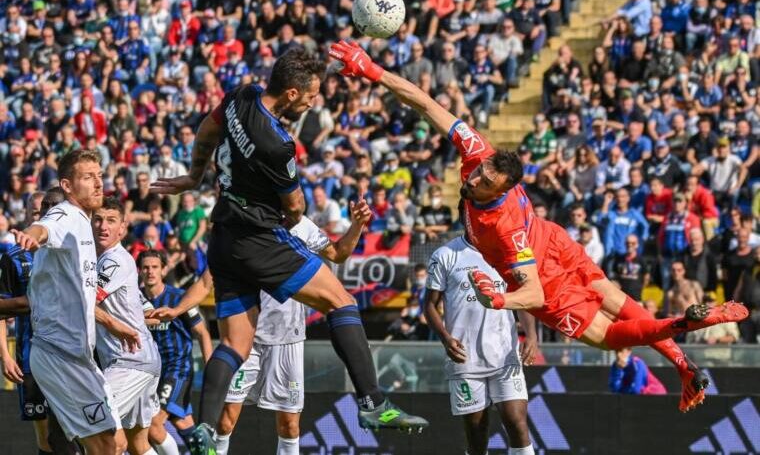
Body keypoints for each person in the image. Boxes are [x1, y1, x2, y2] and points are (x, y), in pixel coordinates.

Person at [328, 40, 748, 413]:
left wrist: (500, 301)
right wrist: (371, 70)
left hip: (543, 270)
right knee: (618, 300)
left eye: (484, 183)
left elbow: (533, 292)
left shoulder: (504, 226)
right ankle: (683, 362)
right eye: (476, 175)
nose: (472, 181)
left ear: (505, 187)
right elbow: (426, 104)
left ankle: (689, 327)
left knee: (611, 338)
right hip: (555, 240)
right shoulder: (480, 154)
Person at [150, 47, 428, 454]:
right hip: (258, 240)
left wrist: (194, 176)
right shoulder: (279, 144)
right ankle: (372, 402)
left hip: (222, 238)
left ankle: (205, 430)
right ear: (293, 94)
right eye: (312, 95)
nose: (314, 102)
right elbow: (295, 207)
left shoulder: (240, 96)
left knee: (234, 345)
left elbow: (207, 130)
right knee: (342, 301)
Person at [10, 150, 140, 453]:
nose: (98, 183)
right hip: (60, 355)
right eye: (87, 177)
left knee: (117, 443)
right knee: (106, 446)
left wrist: (112, 323)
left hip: (79, 357)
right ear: (67, 185)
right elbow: (45, 227)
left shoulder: (83, 222)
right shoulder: (66, 214)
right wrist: (32, 234)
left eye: (99, 175)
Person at [215, 205, 370, 455]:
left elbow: (339, 253)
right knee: (225, 419)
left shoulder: (304, 227)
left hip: (288, 337)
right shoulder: (247, 225)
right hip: (248, 336)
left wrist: (358, 224)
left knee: (289, 426)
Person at [424, 235, 538, 455]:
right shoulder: (445, 255)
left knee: (516, 421)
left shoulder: (508, 253)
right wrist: (446, 338)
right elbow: (429, 305)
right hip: (465, 357)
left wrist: (531, 335)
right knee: (477, 431)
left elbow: (523, 297)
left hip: (505, 354)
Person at [0, 188, 81, 454]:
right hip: (30, 356)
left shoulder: (73, 247)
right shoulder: (13, 257)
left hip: (70, 354)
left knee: (76, 431)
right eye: (36, 212)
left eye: (46, 211)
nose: (42, 217)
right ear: (27, 215)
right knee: (45, 437)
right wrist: (6, 356)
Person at [92, 197, 163, 455]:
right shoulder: (108, 260)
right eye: (98, 219)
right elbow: (148, 312)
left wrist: (112, 323)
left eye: (111, 221)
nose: (103, 226)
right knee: (138, 444)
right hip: (142, 360)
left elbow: (85, 303)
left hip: (129, 363)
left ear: (123, 228)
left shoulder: (113, 260)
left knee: (96, 429)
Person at [139, 250, 213, 454]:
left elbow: (203, 334)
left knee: (153, 426)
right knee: (184, 424)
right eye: (145, 267)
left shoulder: (180, 298)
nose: (150, 272)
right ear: (140, 271)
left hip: (178, 369)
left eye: (155, 267)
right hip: (153, 374)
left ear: (163, 270)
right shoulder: (136, 301)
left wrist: (210, 369)